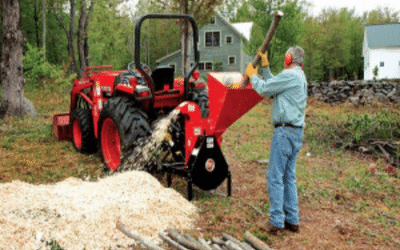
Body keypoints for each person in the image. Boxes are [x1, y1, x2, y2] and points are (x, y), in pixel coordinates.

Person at [244, 46, 307, 234]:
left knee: (275, 177)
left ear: (288, 59)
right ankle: (292, 220)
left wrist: (252, 75)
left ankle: (277, 221)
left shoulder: (290, 76)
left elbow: (265, 89)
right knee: (289, 177)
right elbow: (275, 85)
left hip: (284, 133)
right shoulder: (298, 77)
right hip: (295, 132)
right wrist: (265, 68)